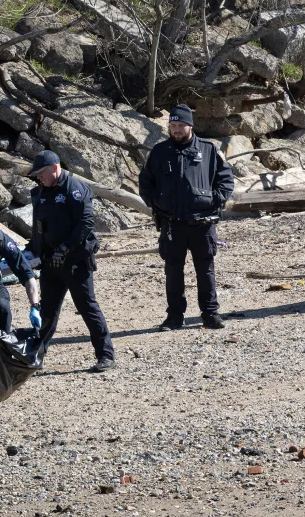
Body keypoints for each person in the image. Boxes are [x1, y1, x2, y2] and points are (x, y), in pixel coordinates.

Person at [139, 103, 235, 331]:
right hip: (172, 224)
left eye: (181, 125)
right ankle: (174, 317)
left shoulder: (208, 150)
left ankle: (210, 314)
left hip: (203, 224)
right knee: (173, 271)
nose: (176, 130)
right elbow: (145, 183)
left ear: (190, 126)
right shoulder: (160, 152)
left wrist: (214, 200)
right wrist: (157, 202)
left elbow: (226, 179)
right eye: (173, 125)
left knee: (206, 270)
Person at [29, 150, 116, 373]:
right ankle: (37, 356)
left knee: (87, 306)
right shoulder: (41, 192)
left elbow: (86, 223)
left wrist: (66, 248)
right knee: (47, 310)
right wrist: (35, 251)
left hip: (75, 260)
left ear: (54, 168)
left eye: (41, 173)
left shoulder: (74, 188)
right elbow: (39, 226)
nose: (39, 177)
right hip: (51, 262)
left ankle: (105, 354)